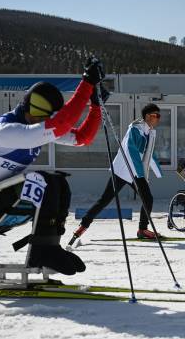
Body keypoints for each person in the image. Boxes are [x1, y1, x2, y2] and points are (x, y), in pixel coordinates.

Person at [0, 56, 107, 275]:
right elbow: (60, 125)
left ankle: (49, 247)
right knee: (45, 181)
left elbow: (82, 138)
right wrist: (86, 83)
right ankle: (42, 253)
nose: (44, 124)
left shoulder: (32, 125)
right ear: (32, 109)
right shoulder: (4, 131)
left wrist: (95, 107)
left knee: (59, 182)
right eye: (43, 118)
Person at [70, 103, 164, 243]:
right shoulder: (135, 130)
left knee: (147, 199)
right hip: (123, 170)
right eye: (156, 116)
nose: (158, 119)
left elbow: (149, 154)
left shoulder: (149, 132)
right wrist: (140, 174)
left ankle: (142, 229)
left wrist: (159, 172)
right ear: (147, 116)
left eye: (159, 116)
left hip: (135, 172)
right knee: (105, 200)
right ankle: (83, 225)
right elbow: (132, 152)